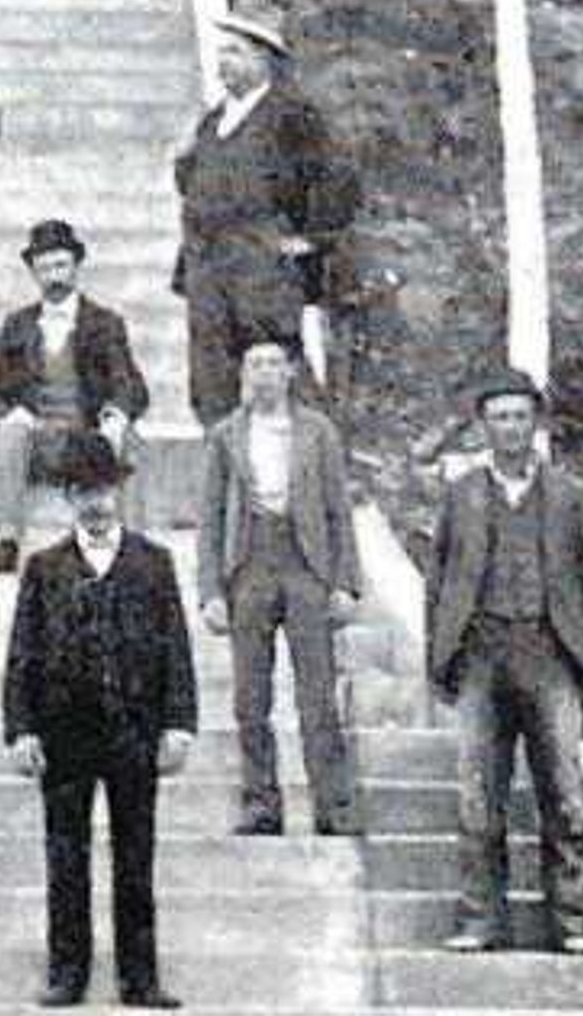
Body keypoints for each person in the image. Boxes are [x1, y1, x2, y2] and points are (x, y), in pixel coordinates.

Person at [424, 366, 583, 955]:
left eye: (519, 416)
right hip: (482, 656)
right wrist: (440, 660)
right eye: (498, 417)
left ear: (535, 423)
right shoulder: (462, 495)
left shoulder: (568, 496)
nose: (509, 428)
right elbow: (438, 581)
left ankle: (570, 920)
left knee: (564, 791)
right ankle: (479, 920)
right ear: (482, 425)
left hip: (549, 655)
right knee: (476, 796)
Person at [2, 436, 196, 1010]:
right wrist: (21, 729)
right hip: (66, 732)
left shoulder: (152, 563)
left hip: (134, 729)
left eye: (105, 489)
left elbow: (175, 650)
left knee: (136, 855)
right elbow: (22, 656)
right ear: (67, 497)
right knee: (66, 856)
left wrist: (179, 723)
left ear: (119, 491)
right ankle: (67, 972)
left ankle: (141, 978)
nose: (97, 502)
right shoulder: (45, 568)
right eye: (85, 491)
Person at [195, 336, 364, 838]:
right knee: (251, 696)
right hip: (250, 563)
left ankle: (332, 806)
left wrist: (345, 582)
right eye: (255, 364)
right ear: (244, 373)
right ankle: (260, 803)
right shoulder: (227, 434)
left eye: (274, 363)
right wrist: (211, 590)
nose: (264, 372)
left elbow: (339, 511)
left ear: (291, 372)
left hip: (305, 563)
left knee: (317, 694)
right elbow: (210, 517)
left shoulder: (318, 432)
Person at [167, 0, 359, 425]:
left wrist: (308, 240)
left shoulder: (292, 115)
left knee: (276, 375)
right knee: (211, 380)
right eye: (221, 50)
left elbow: (337, 179)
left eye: (234, 51)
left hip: (263, 272)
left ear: (264, 59)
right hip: (208, 268)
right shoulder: (213, 119)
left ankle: (306, 473)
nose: (222, 60)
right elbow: (194, 186)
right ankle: (226, 473)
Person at [0, 216, 149, 574]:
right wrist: (8, 415)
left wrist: (116, 414)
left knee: (127, 438)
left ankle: (131, 548)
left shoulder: (104, 323)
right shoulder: (18, 325)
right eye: (45, 267)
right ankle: (5, 541)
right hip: (37, 438)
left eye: (61, 265)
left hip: (85, 436)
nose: (54, 275)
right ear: (34, 273)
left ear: (75, 267)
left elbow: (132, 386)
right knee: (10, 432)